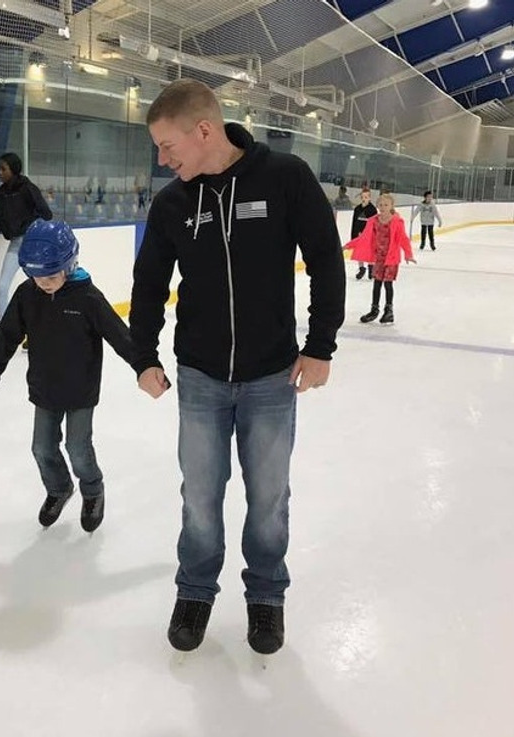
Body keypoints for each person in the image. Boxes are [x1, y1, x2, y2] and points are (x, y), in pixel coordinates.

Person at [129, 79, 346, 655]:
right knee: (199, 496)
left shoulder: (285, 178)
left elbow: (326, 259)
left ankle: (266, 597)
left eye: (167, 145)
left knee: (269, 497)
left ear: (205, 131)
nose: (162, 158)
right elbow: (148, 284)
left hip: (272, 376)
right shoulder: (173, 202)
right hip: (199, 377)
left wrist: (320, 344)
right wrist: (142, 355)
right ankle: (195, 590)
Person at [0, 219, 138, 533]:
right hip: (45, 386)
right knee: (42, 448)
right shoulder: (27, 294)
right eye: (35, 276)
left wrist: (144, 366)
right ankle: (59, 488)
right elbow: (7, 335)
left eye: (50, 276)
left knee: (78, 449)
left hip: (80, 389)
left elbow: (120, 336)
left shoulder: (88, 299)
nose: (43, 283)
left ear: (69, 264)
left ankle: (92, 491)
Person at [0, 153, 52, 320]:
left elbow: (46, 213)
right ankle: (4, 331)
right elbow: (4, 221)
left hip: (32, 243)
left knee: (41, 286)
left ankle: (41, 327)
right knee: (2, 286)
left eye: (3, 169)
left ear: (14, 170)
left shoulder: (27, 188)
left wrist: (27, 226)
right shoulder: (1, 193)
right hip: (16, 243)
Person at [343, 193, 415, 325]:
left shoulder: (397, 222)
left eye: (386, 205)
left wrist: (408, 254)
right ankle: (374, 310)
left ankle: (389, 311)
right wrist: (348, 245)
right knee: (377, 284)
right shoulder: (374, 221)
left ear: (392, 206)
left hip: (392, 258)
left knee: (388, 284)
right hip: (378, 258)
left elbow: (403, 239)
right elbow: (363, 238)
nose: (383, 207)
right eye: (380, 205)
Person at [351, 187, 377, 280]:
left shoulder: (372, 209)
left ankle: (371, 267)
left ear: (369, 198)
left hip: (369, 235)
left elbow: (375, 224)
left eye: (366, 197)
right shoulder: (357, 209)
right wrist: (354, 235)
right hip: (359, 234)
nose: (364, 199)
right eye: (362, 197)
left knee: (370, 252)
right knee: (360, 251)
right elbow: (354, 222)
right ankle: (361, 268)